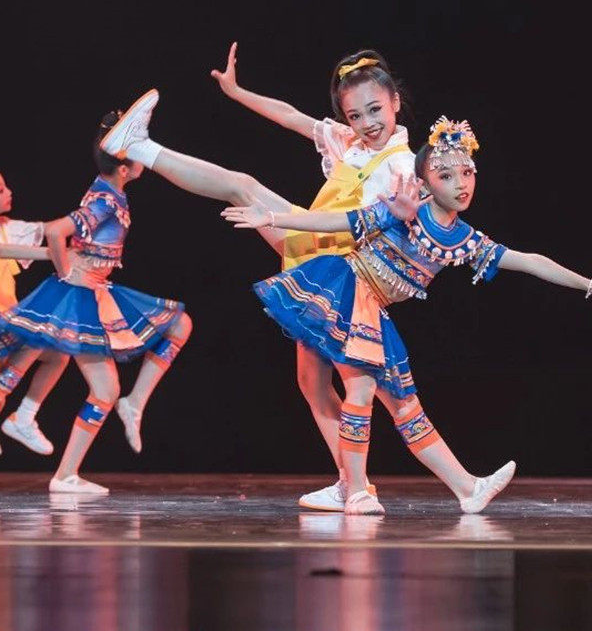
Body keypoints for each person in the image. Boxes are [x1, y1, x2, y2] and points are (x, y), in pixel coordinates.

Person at [222, 117, 592, 514]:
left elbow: (527, 260)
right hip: (347, 290)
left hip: (372, 309)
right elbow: (340, 220)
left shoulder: (464, 239)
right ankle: (357, 490)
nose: (461, 184)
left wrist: (588, 283)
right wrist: (273, 218)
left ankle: (467, 488)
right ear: (423, 182)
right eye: (446, 176)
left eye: (467, 173)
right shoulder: (405, 211)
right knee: (360, 390)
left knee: (405, 405)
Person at [103, 48, 417, 511]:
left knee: (242, 186)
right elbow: (291, 116)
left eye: (374, 110)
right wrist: (237, 92)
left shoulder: (401, 164)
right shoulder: (350, 143)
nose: (367, 123)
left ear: (395, 102)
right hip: (320, 258)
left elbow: (388, 225)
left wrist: (276, 219)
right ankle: (354, 485)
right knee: (313, 382)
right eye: (355, 115)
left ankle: (140, 148)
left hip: (337, 266)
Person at [0, 111, 192, 494]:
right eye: (137, 154)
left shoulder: (108, 191)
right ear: (124, 167)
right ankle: (60, 464)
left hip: (92, 291)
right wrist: (65, 271)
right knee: (78, 379)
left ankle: (110, 420)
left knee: (176, 326)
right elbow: (57, 232)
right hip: (79, 296)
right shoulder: (105, 200)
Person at [0, 173, 69, 455]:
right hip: (8, 328)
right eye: (0, 190)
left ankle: (24, 417)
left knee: (58, 353)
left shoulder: (9, 228)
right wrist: (52, 254)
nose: (9, 191)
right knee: (36, 332)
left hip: (8, 326)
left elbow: (51, 229)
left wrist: (88, 217)